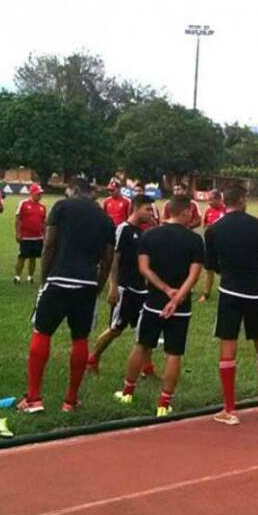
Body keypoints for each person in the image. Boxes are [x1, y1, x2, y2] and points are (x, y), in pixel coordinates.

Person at [17, 178, 115, 414]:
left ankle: (34, 398)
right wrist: (98, 286)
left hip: (59, 279)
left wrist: (45, 278)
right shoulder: (105, 218)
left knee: (42, 332)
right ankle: (70, 401)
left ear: (74, 190)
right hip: (87, 283)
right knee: (80, 339)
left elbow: (49, 244)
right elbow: (108, 258)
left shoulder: (62, 206)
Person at [113, 195, 204, 417]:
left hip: (153, 302)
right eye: (190, 212)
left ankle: (127, 392)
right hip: (181, 306)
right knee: (174, 353)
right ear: (184, 212)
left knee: (142, 345)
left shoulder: (149, 235)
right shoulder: (195, 240)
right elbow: (194, 275)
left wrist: (164, 290)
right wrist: (177, 298)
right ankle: (164, 403)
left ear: (167, 212)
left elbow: (144, 268)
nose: (192, 216)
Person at [204, 184, 258, 424]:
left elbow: (211, 264)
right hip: (256, 291)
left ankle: (229, 410)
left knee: (228, 347)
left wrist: (228, 271)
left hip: (229, 291)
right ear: (243, 200)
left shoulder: (214, 229)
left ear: (224, 201)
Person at [87, 195, 157, 373]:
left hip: (141, 289)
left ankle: (147, 367)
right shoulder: (123, 229)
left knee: (146, 328)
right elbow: (114, 259)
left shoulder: (142, 232)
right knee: (116, 329)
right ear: (136, 208)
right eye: (148, 209)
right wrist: (113, 286)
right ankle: (92, 359)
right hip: (125, 288)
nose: (151, 213)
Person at [197, 189, 227, 304]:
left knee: (225, 270)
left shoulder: (226, 210)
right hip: (210, 245)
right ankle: (206, 294)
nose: (208, 202)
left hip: (223, 245)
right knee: (209, 270)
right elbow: (204, 225)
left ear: (218, 199)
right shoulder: (208, 210)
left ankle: (225, 291)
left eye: (210, 199)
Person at [14, 184, 47, 284]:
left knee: (33, 258)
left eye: (40, 194)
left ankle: (30, 276)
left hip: (38, 237)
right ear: (32, 193)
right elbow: (17, 219)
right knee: (22, 257)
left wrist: (45, 235)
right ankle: (17, 276)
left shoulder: (42, 207)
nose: (39, 196)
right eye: (38, 193)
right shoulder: (23, 204)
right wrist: (18, 233)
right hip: (25, 237)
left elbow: (43, 223)